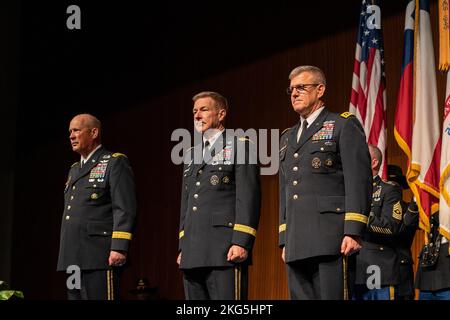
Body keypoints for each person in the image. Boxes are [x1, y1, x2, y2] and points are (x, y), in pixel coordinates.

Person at [278, 65, 372, 300]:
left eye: (301, 87)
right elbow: (286, 190)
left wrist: (353, 231)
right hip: (296, 241)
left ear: (320, 90)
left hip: (333, 238)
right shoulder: (287, 137)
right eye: (291, 89)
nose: (294, 93)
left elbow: (358, 180)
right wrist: (284, 239)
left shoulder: (342, 124)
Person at [177, 91, 261, 300]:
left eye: (204, 109)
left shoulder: (240, 145)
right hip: (192, 252)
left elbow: (248, 197)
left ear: (221, 114)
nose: (197, 115)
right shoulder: (191, 154)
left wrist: (241, 241)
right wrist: (182, 246)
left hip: (224, 249)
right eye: (195, 111)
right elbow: (186, 204)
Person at [57, 113, 137, 300]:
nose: (71, 135)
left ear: (94, 132)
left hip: (99, 254)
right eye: (70, 131)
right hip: (72, 259)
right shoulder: (74, 169)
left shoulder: (114, 162)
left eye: (76, 130)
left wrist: (119, 246)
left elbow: (125, 208)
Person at [353, 146, 404, 300]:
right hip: (351, 266)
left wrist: (359, 218)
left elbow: (392, 227)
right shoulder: (348, 192)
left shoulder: (388, 190)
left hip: (375, 267)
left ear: (374, 162)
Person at [415, 211, 450, 300]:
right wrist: (416, 200)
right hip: (427, 272)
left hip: (446, 273)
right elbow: (408, 222)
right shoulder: (425, 202)